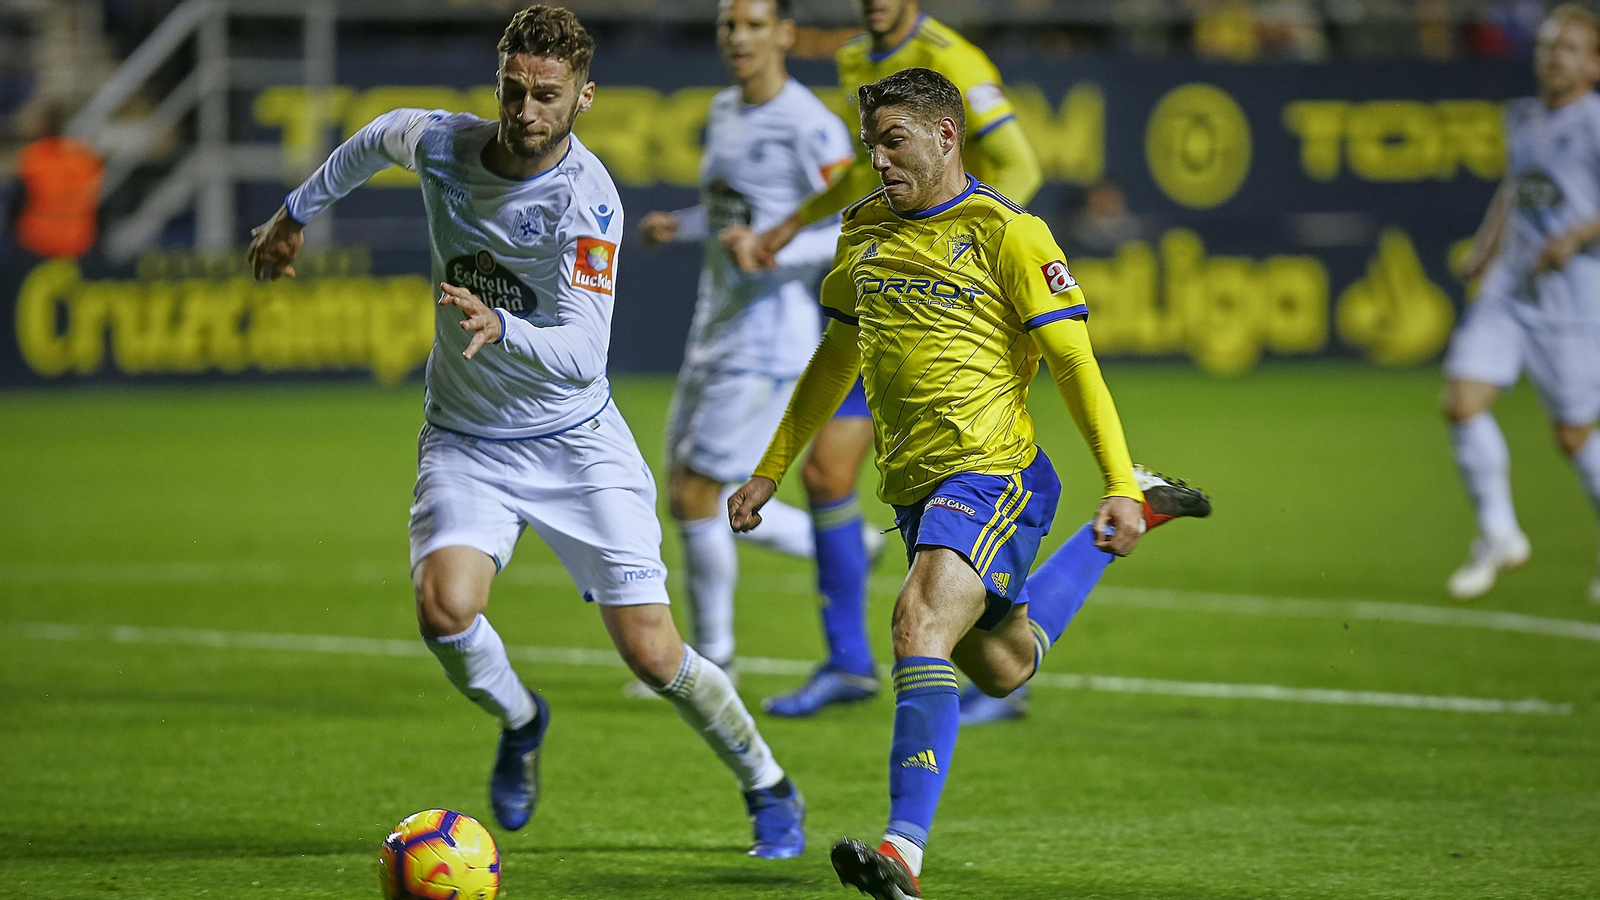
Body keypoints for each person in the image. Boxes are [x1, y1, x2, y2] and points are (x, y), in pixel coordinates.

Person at [245, 5, 806, 858]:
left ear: (584, 97)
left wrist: (503, 329)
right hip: (467, 435)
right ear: (499, 82)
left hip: (576, 442)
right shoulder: (443, 145)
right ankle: (521, 717)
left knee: (654, 654)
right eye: (514, 90)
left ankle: (768, 782)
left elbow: (583, 353)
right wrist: (296, 212)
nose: (527, 110)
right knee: (444, 608)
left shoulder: (588, 198)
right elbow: (373, 140)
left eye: (548, 94)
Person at [727, 68, 1206, 898]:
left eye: (895, 140)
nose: (878, 159)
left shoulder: (1009, 233)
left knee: (917, 622)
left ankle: (902, 854)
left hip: (993, 475)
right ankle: (1143, 516)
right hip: (916, 491)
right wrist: (771, 467)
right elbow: (835, 356)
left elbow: (1075, 366)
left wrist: (1114, 479)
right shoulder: (862, 231)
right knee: (1002, 664)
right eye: (871, 143)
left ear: (948, 136)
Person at [728, 0, 1049, 723]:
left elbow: (1023, 164)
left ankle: (986, 662)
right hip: (894, 288)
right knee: (826, 471)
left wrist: (967, 248)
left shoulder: (955, 61)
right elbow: (864, 176)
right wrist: (788, 226)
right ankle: (851, 662)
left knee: (970, 481)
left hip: (956, 304)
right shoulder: (854, 62)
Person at [636, 0, 865, 680]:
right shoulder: (724, 111)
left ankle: (713, 663)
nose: (738, 37)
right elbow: (732, 213)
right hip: (715, 328)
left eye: (754, 25)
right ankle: (842, 544)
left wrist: (775, 253)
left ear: (786, 35)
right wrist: (680, 227)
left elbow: (854, 226)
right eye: (729, 25)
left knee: (693, 492)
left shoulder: (810, 126)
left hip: (770, 339)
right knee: (698, 490)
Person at [1443, 4, 1600, 604]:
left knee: (1574, 436)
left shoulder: (1592, 122)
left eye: (1567, 49)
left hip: (1573, 298)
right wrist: (1485, 251)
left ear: (1592, 63)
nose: (1552, 57)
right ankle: (1499, 535)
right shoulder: (1522, 117)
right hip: (1512, 288)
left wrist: (1578, 237)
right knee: (1462, 400)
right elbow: (1516, 188)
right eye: (1546, 47)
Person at [9, 105, 102, 259]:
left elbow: (18, 200)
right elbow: (95, 201)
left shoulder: (33, 157)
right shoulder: (87, 159)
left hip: (37, 239)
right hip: (78, 240)